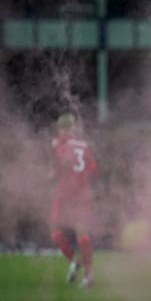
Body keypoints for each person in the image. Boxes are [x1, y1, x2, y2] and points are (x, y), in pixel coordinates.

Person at [49, 113, 98, 288]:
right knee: (82, 234)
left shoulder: (60, 145)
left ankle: (74, 260)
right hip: (82, 194)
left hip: (65, 194)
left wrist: (53, 174)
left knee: (55, 232)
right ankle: (89, 276)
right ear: (74, 128)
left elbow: (58, 169)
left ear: (62, 129)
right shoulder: (84, 145)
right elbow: (94, 169)